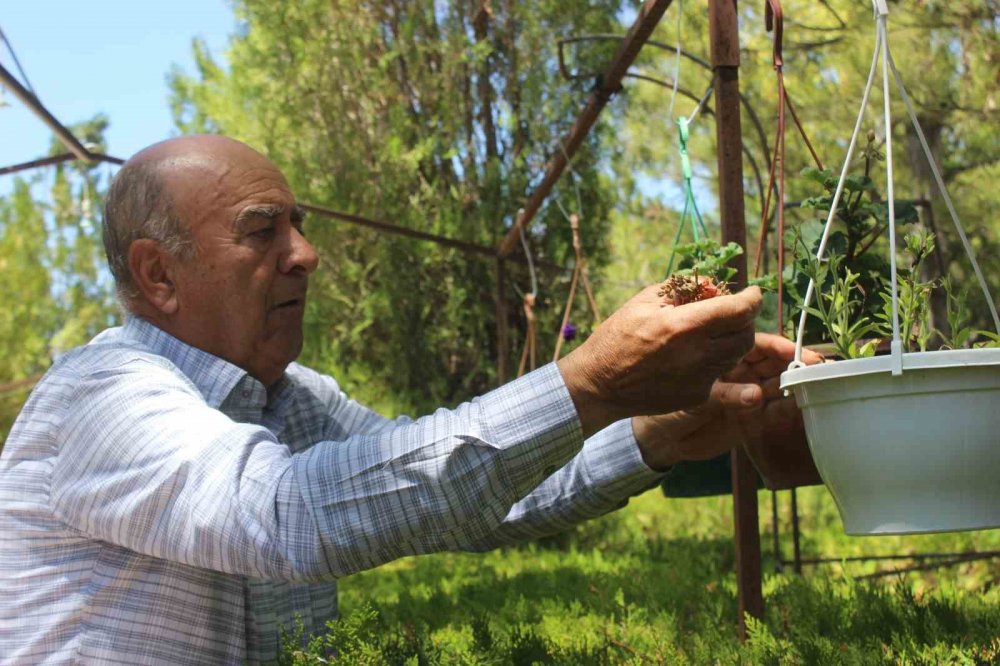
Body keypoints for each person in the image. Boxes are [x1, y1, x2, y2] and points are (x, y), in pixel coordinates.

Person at [0, 135, 818, 664]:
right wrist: (589, 378)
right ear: (157, 275)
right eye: (263, 230)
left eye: (300, 225)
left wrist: (656, 432)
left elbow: (472, 498)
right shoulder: (103, 395)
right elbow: (287, 515)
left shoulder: (294, 401)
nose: (307, 254)